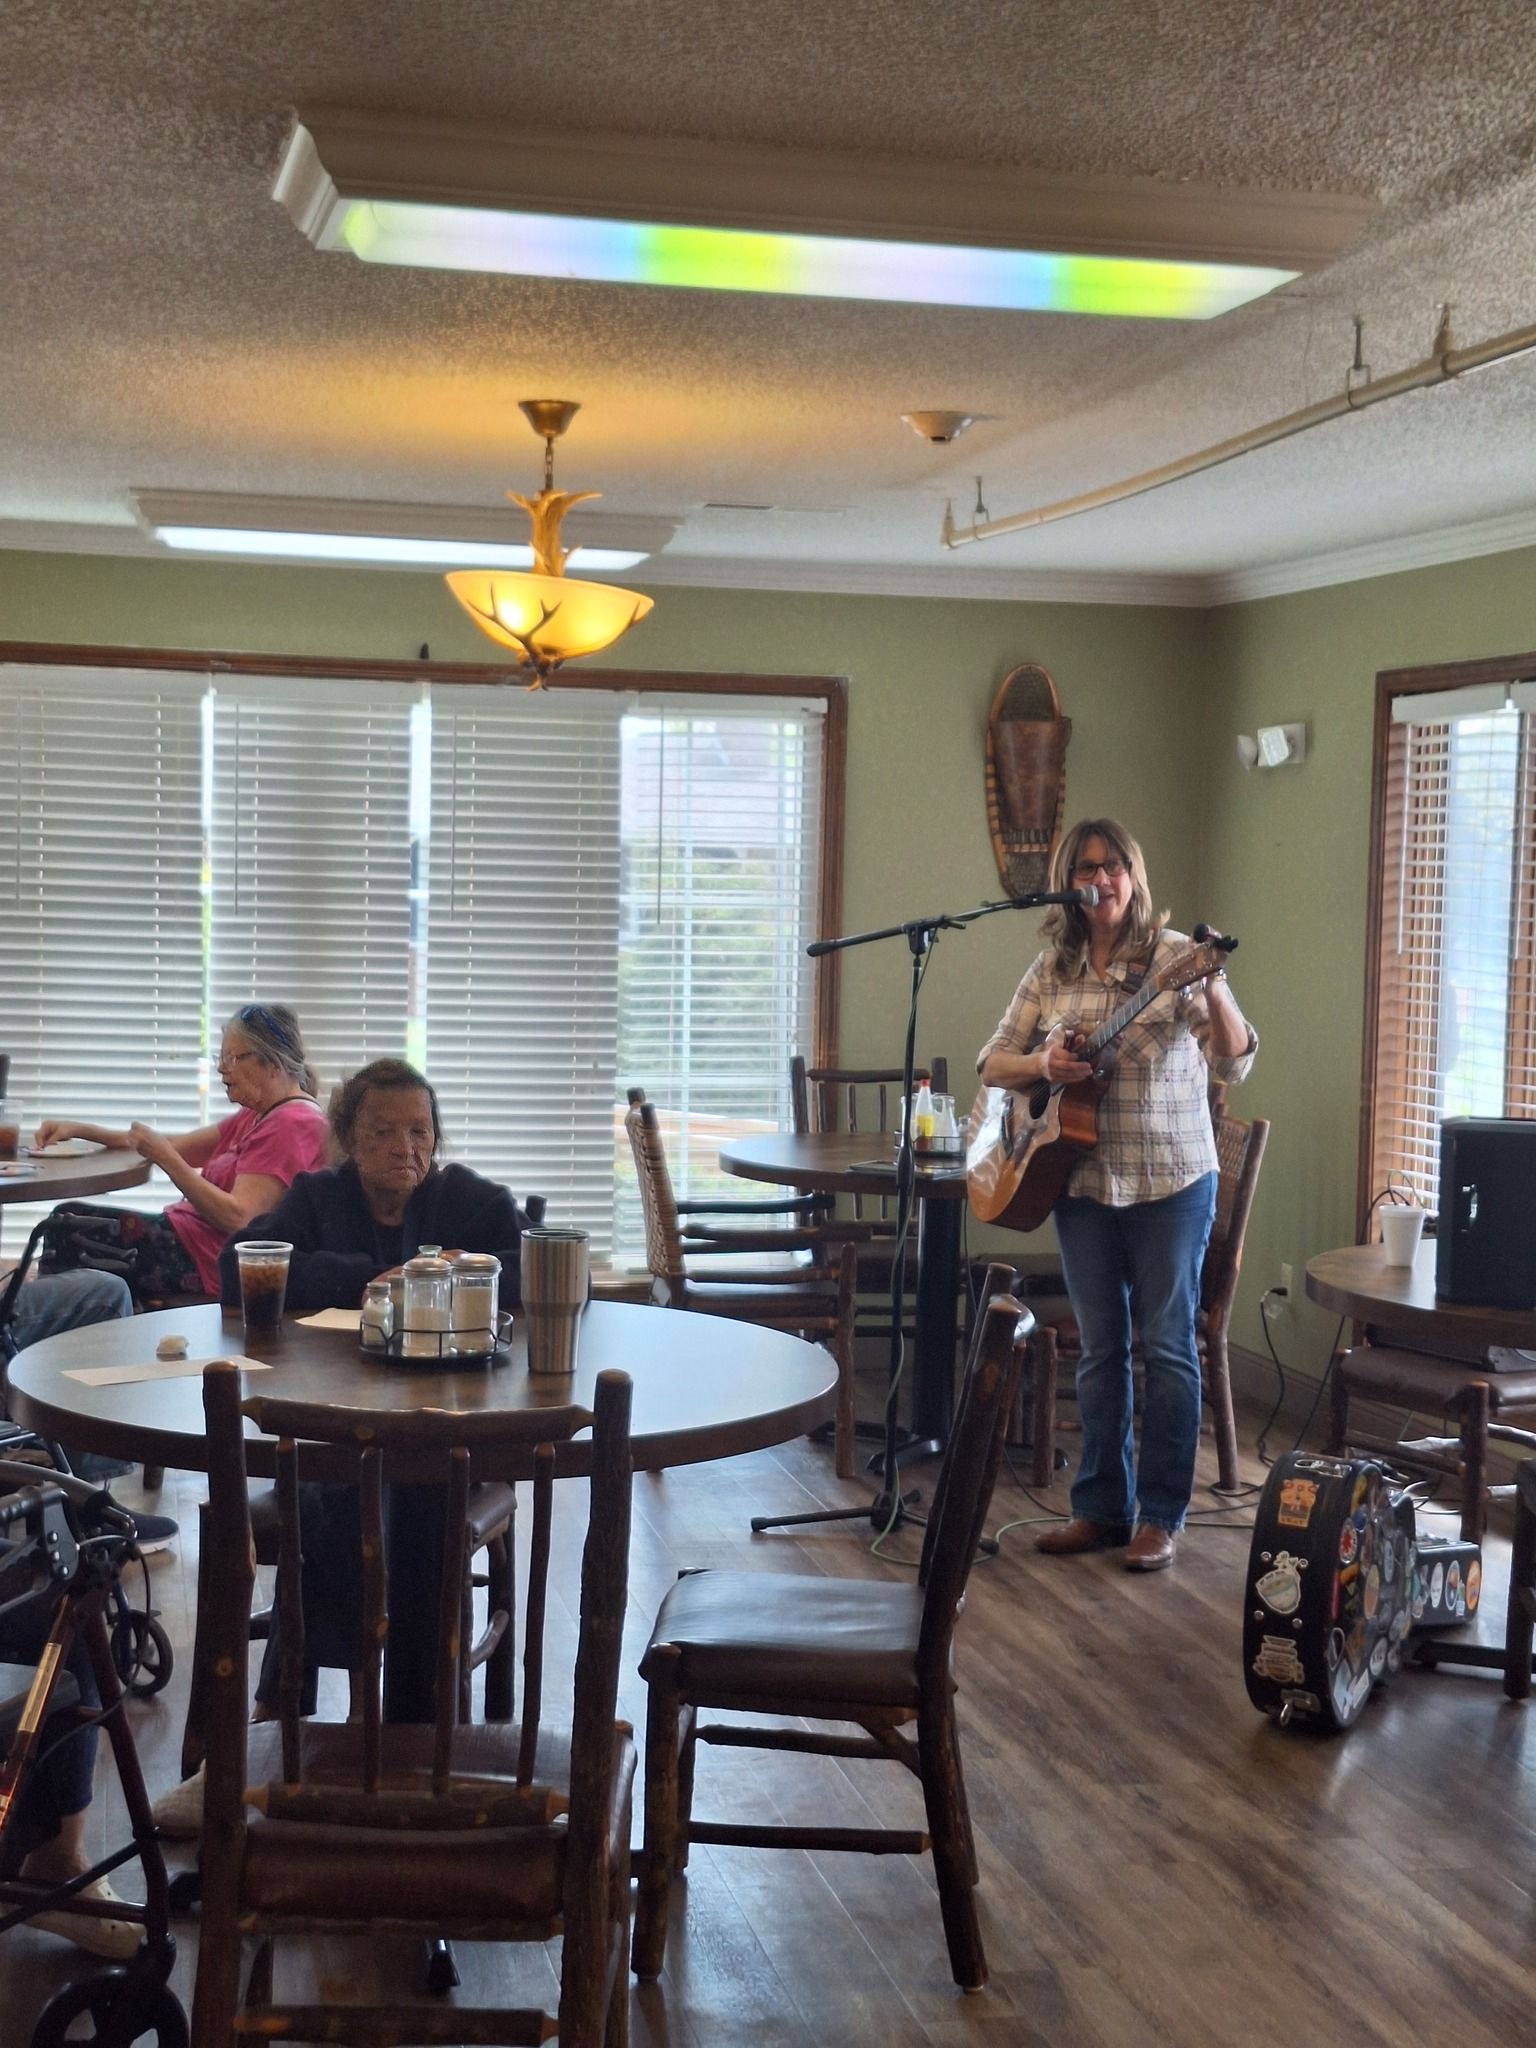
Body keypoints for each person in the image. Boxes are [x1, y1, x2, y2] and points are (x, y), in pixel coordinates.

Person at [152, 1059, 530, 1836]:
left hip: (451, 1438)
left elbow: (522, 1278)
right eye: (382, 1131)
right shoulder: (317, 1197)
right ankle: (378, 1738)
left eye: (419, 1131)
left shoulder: (469, 1201)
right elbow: (239, 1269)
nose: (404, 1147)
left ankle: (299, 1715)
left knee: (380, 1496)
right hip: (336, 1428)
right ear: (348, 1139)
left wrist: (434, 1278)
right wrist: (363, 1277)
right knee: (349, 1485)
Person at [976, 817, 1257, 1573]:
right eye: (1086, 868)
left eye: (1113, 867)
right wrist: (1043, 1065)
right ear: (1069, 883)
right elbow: (992, 1063)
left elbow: (1234, 1061)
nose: (1100, 879)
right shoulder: (1052, 968)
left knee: (1166, 1347)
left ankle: (1160, 1517)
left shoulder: (1174, 959)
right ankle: (1100, 1509)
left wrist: (1215, 987)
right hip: (1080, 1180)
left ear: (1133, 877)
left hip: (1171, 1181)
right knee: (1102, 1351)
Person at [34, 1002, 331, 1303]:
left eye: (233, 1057)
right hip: (190, 1241)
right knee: (67, 1223)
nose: (221, 1067)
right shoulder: (260, 1113)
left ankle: (51, 1326)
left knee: (65, 1228)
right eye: (221, 1057)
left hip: (210, 1261)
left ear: (273, 1064)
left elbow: (240, 1218)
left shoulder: (291, 1124)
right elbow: (176, 1147)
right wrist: (82, 1130)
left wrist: (165, 1158)